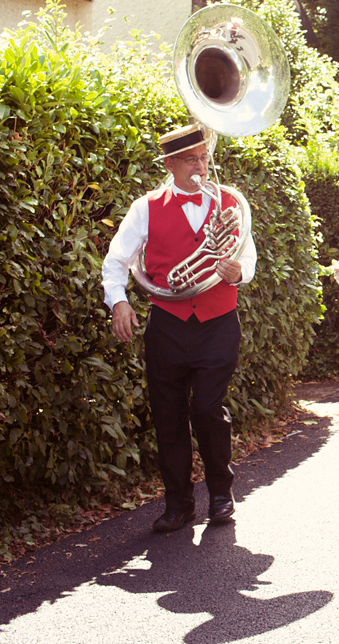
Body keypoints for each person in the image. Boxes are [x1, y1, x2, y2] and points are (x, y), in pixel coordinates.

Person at [102, 123, 256, 533]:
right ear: (169, 164)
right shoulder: (145, 207)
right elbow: (116, 261)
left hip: (218, 321)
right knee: (167, 415)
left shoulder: (230, 204)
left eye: (204, 157)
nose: (201, 166)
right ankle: (178, 504)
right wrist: (118, 300)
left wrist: (238, 272)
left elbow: (250, 261)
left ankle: (221, 494)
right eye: (191, 160)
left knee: (207, 408)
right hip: (167, 325)